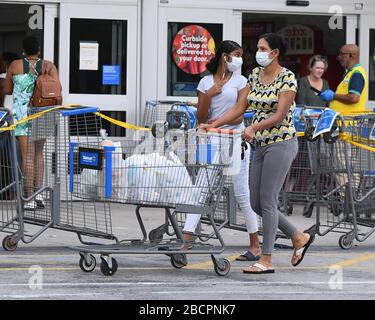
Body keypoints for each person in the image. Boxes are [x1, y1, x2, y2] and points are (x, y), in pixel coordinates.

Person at [201, 33, 315, 274]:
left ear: (274, 53)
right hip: (259, 146)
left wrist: (253, 127)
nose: (258, 53)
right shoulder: (254, 75)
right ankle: (298, 237)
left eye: (263, 48)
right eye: (258, 48)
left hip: (282, 143)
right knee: (256, 203)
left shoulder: (287, 78)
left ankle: (267, 259)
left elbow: (280, 115)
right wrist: (214, 124)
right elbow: (239, 108)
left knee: (268, 201)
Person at [182, 40, 261, 262]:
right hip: (213, 141)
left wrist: (215, 124)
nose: (240, 59)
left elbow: (239, 113)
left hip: (235, 139)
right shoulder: (205, 82)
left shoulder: (242, 81)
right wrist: (208, 94)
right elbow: (200, 117)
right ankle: (186, 241)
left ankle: (255, 244)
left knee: (242, 192)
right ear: (225, 57)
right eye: (236, 55)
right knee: (200, 189)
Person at [3, 36, 61, 210]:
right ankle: (39, 194)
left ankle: (28, 197)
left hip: (23, 115)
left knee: (26, 156)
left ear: (23, 51)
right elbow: (57, 88)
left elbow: (6, 89)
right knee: (39, 154)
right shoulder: (48, 66)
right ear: (38, 51)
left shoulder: (15, 65)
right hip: (43, 113)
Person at [319, 44, 367, 113]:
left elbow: (354, 98)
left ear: (351, 55)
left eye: (342, 54)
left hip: (348, 122)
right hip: (344, 121)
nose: (338, 57)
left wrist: (333, 96)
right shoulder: (351, 72)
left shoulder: (357, 73)